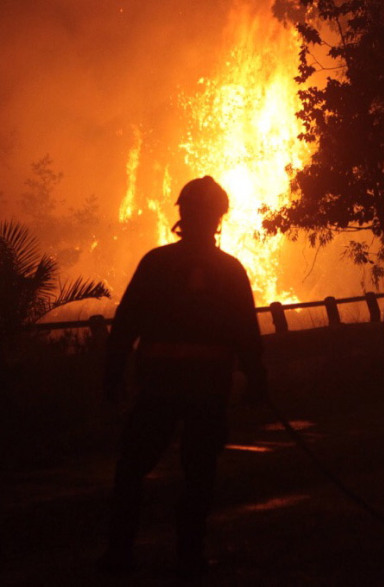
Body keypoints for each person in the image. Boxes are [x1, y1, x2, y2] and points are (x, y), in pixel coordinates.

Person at [98, 176, 268, 578]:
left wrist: (113, 373)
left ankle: (119, 554)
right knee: (199, 475)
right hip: (207, 392)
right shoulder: (230, 271)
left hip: (159, 388)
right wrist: (257, 379)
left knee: (133, 469)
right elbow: (247, 332)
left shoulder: (156, 264)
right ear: (218, 217)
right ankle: (188, 558)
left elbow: (126, 325)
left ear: (183, 214)